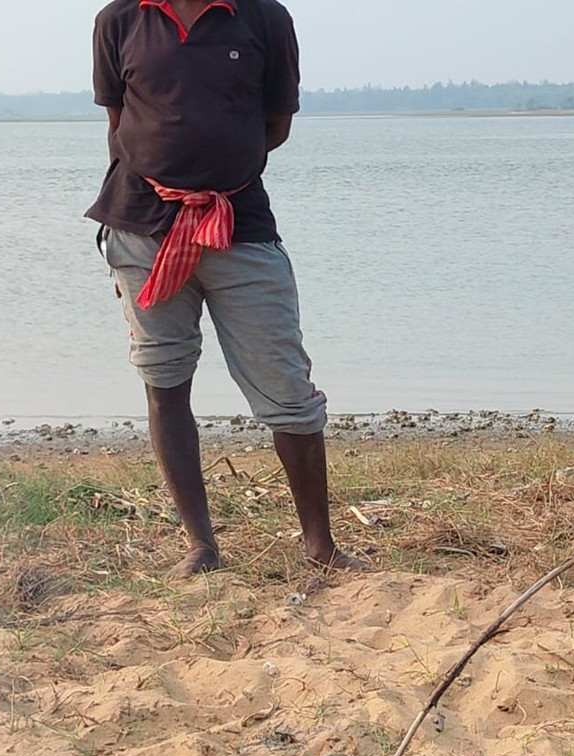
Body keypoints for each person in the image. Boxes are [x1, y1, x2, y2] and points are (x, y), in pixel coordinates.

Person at [86, 0, 361, 578]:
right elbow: (119, 122)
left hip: (240, 223)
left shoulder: (265, 18)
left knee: (286, 383)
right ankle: (201, 547)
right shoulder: (119, 20)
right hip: (141, 228)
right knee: (165, 378)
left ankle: (321, 547)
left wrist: (215, 169)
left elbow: (275, 125)